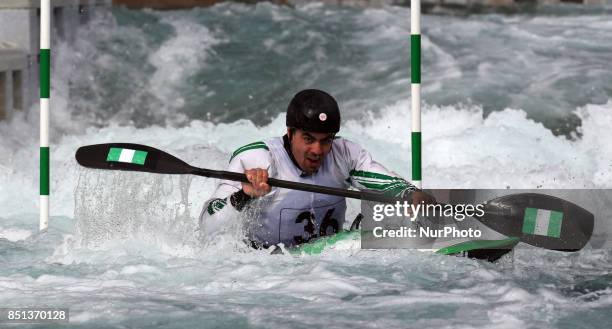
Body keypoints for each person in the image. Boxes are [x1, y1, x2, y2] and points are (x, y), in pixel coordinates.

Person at [199, 89, 433, 248]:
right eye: (308, 139)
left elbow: (388, 185)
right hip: (266, 266)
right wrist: (244, 195)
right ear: (290, 133)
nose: (318, 150)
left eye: (326, 140)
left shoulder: (344, 153)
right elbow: (207, 227)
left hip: (327, 268)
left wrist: (411, 194)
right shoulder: (256, 158)